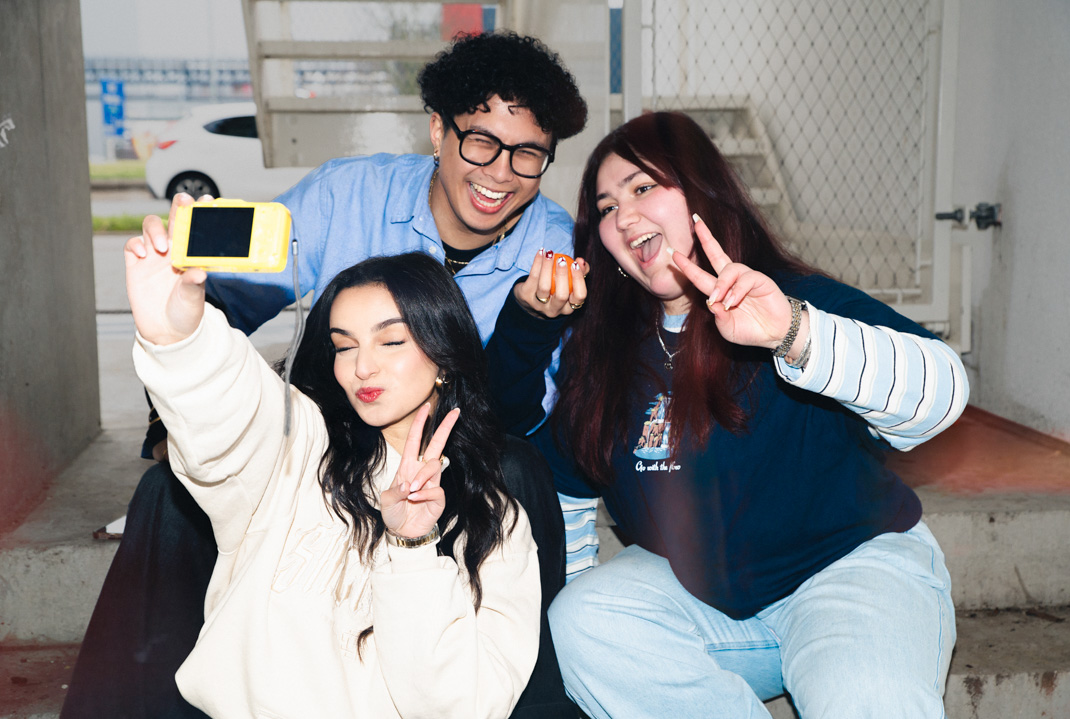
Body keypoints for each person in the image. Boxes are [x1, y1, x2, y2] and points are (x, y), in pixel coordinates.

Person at [62, 31, 587, 719]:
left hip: (453, 446)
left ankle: (529, 693)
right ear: (438, 129)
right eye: (481, 141)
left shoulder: (552, 238)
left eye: (528, 154)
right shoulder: (349, 191)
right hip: (318, 442)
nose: (500, 172)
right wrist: (181, 410)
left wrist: (530, 323)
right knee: (170, 487)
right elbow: (229, 293)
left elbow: (514, 411)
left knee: (517, 469)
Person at [488, 111, 969, 718]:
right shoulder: (607, 351)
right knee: (582, 618)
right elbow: (565, 482)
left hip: (851, 573)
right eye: (606, 208)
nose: (624, 216)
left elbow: (943, 396)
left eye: (643, 187)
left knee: (866, 701)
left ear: (702, 192)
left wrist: (792, 334)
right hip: (709, 604)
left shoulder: (789, 299)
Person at [124, 246, 540, 718]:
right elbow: (232, 418)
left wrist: (411, 548)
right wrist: (181, 342)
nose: (362, 367)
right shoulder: (300, 447)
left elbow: (463, 707)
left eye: (391, 341)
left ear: (443, 355)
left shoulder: (497, 522)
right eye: (344, 345)